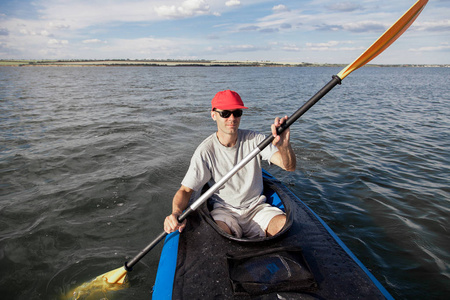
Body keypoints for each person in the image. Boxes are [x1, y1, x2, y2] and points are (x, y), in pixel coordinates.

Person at [164, 90, 296, 239]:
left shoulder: (255, 139)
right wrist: (176, 213)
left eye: (237, 112)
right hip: (225, 212)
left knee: (285, 227)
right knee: (218, 237)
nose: (232, 118)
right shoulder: (205, 151)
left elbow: (289, 166)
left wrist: (285, 146)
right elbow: (186, 190)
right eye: (225, 113)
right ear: (214, 115)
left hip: (257, 208)